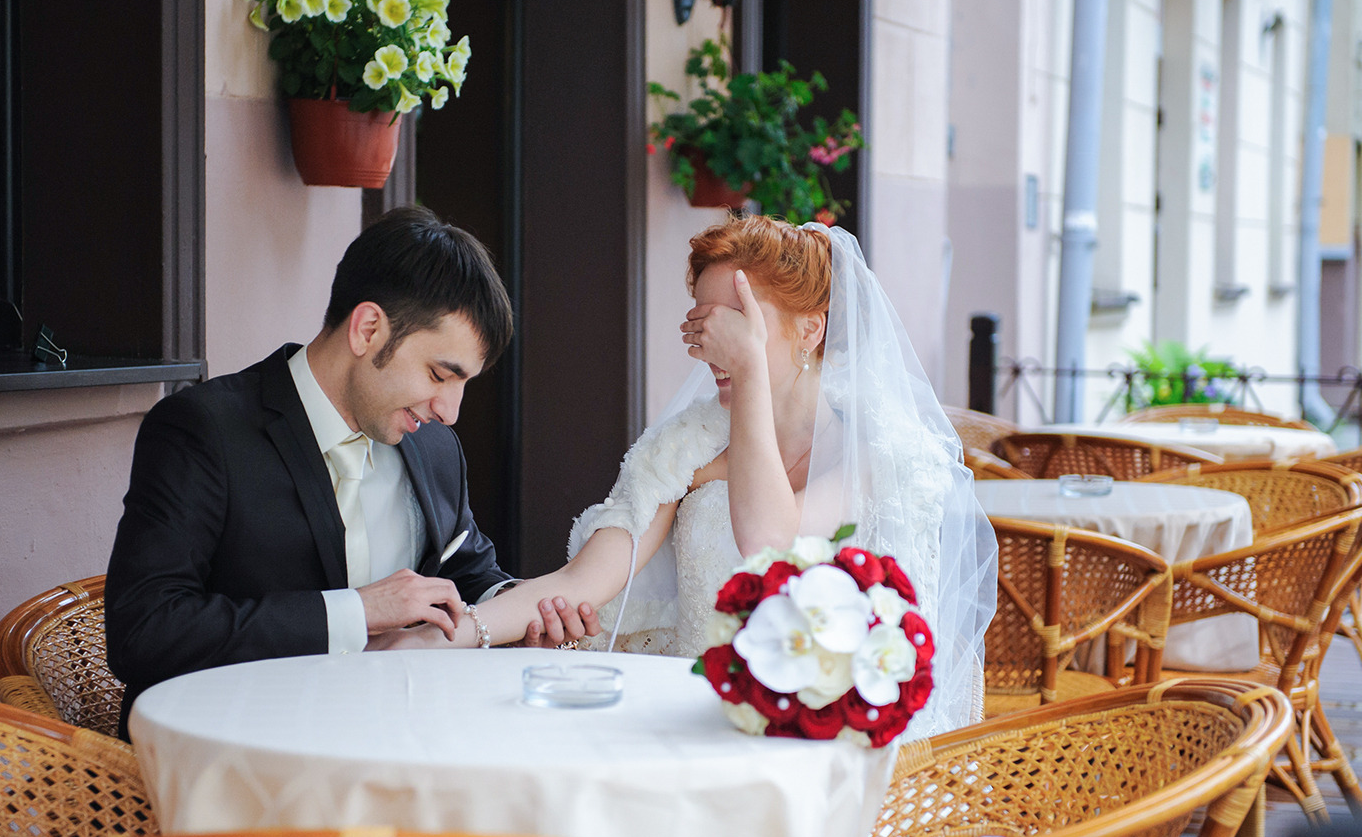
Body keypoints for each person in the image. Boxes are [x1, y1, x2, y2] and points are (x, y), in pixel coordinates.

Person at [379, 215, 997, 738]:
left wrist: (751, 366)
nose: (710, 345)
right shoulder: (687, 446)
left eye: (737, 320)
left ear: (811, 329)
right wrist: (448, 638)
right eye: (703, 320)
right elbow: (582, 579)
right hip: (688, 725)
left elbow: (774, 547)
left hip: (833, 738)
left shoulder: (878, 452)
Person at [105, 206, 597, 737]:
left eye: (464, 384)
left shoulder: (434, 448)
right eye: (439, 374)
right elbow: (145, 633)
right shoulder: (203, 431)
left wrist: (520, 620)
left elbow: (471, 578)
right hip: (237, 759)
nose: (450, 411)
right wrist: (355, 612)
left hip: (398, 744)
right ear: (367, 329)